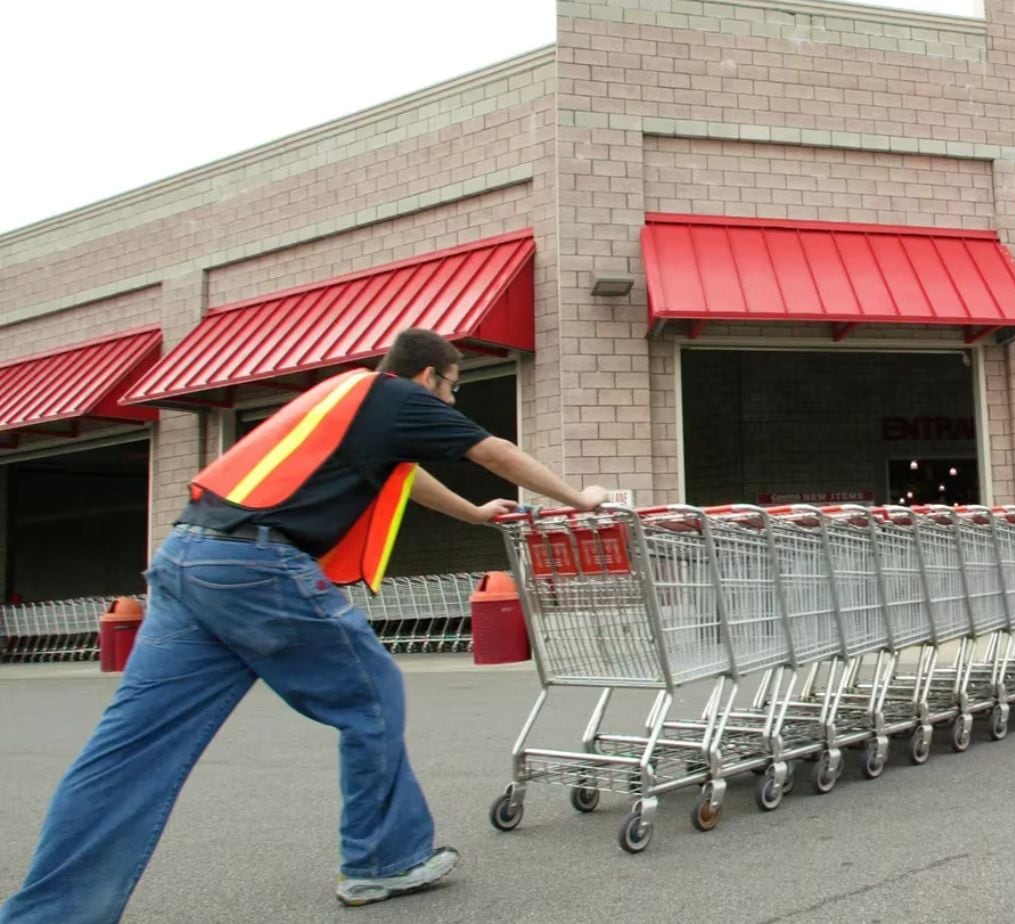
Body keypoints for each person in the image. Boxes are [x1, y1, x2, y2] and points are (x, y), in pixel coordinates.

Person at [1, 329, 608, 921]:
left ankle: (50, 912)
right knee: (372, 697)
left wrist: (473, 513)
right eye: (453, 389)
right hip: (256, 568)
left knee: (130, 748)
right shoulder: (399, 396)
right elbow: (493, 450)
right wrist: (578, 499)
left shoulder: (342, 400)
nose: (451, 404)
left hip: (187, 557)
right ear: (429, 377)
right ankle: (382, 859)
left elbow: (405, 477)